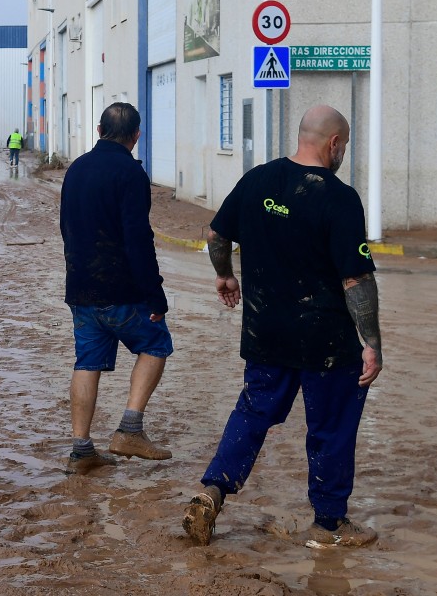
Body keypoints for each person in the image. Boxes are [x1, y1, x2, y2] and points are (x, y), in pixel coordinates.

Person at [182, 105, 382, 548]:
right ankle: (328, 526)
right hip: (327, 341)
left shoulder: (258, 180)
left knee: (253, 413)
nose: (342, 152)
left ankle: (212, 490)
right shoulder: (339, 197)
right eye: (343, 145)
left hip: (265, 333)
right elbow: (356, 280)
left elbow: (216, 236)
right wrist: (372, 344)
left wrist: (225, 275)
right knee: (331, 427)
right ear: (334, 143)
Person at [59, 102, 172, 474]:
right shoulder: (131, 174)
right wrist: (155, 294)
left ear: (98, 129)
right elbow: (138, 239)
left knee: (87, 362)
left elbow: (66, 229)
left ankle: (81, 450)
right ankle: (130, 429)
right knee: (156, 345)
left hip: (81, 287)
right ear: (136, 136)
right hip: (123, 290)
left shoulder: (75, 169)